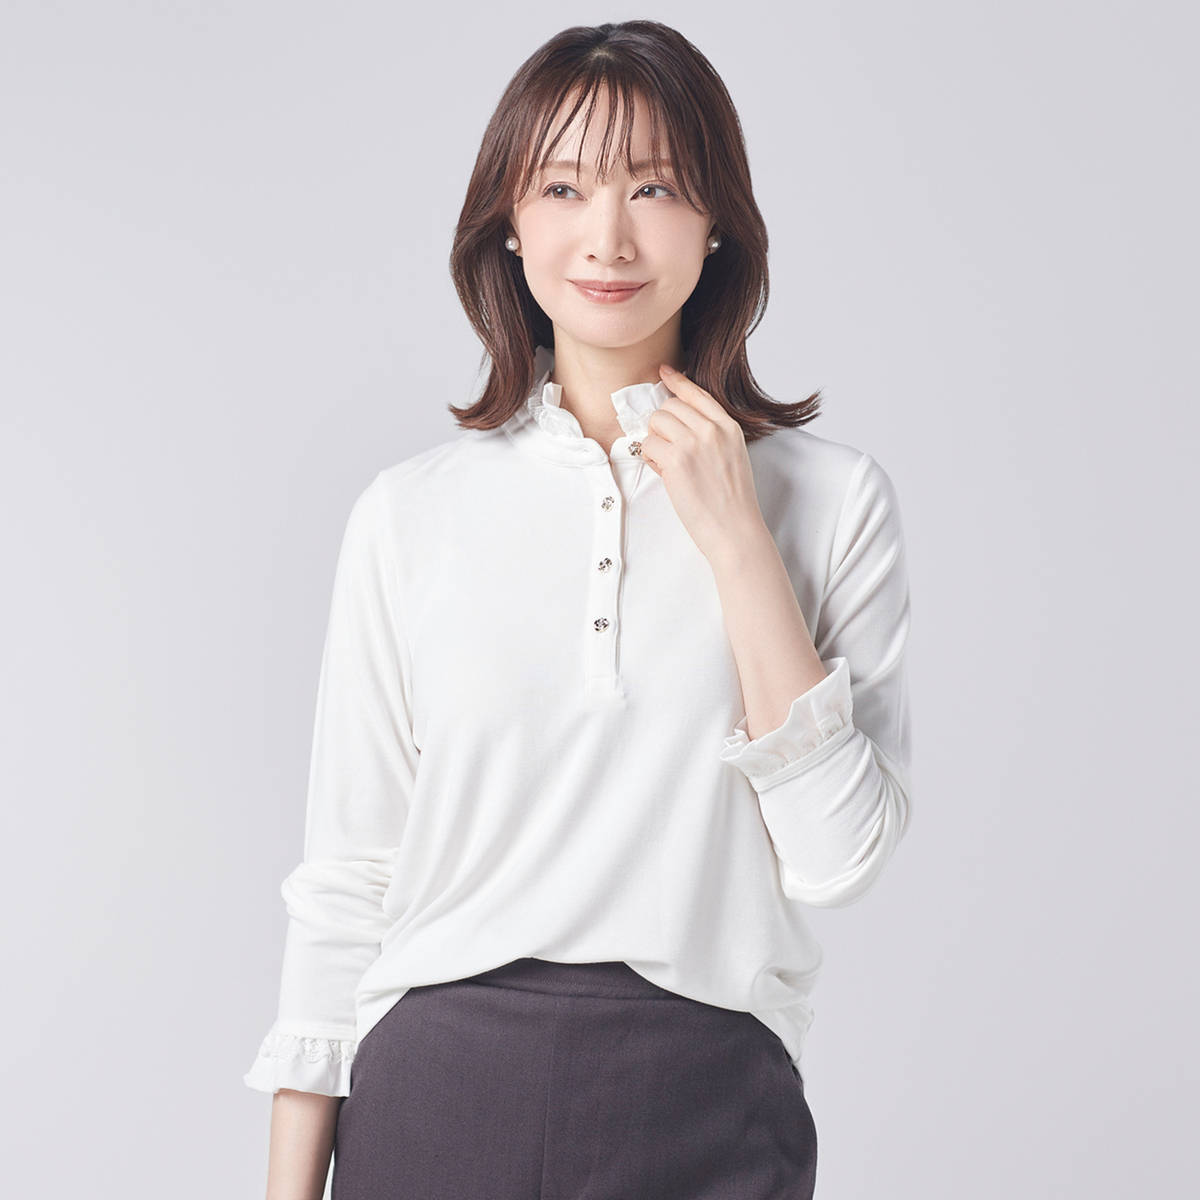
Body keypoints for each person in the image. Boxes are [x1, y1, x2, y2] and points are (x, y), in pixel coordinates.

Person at [244, 19, 912, 1200]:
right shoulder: (408, 514)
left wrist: (737, 538)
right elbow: (349, 881)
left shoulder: (832, 500)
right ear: (510, 220)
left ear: (717, 221)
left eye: (653, 186)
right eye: (563, 187)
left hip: (711, 1098)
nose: (607, 236)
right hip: (438, 1097)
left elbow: (838, 858)